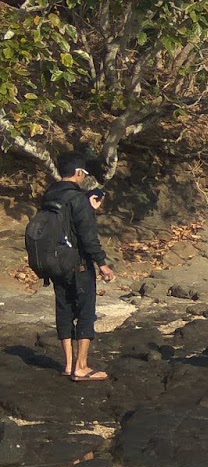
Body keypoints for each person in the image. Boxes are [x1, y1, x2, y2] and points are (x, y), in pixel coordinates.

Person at [40, 152, 115, 381]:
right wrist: (102, 264)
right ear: (78, 173)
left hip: (54, 261)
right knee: (84, 310)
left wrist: (87, 206)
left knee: (63, 309)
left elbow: (63, 225)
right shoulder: (78, 199)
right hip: (77, 263)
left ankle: (68, 364)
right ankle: (81, 367)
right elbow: (86, 236)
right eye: (83, 174)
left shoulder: (49, 195)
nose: (83, 178)